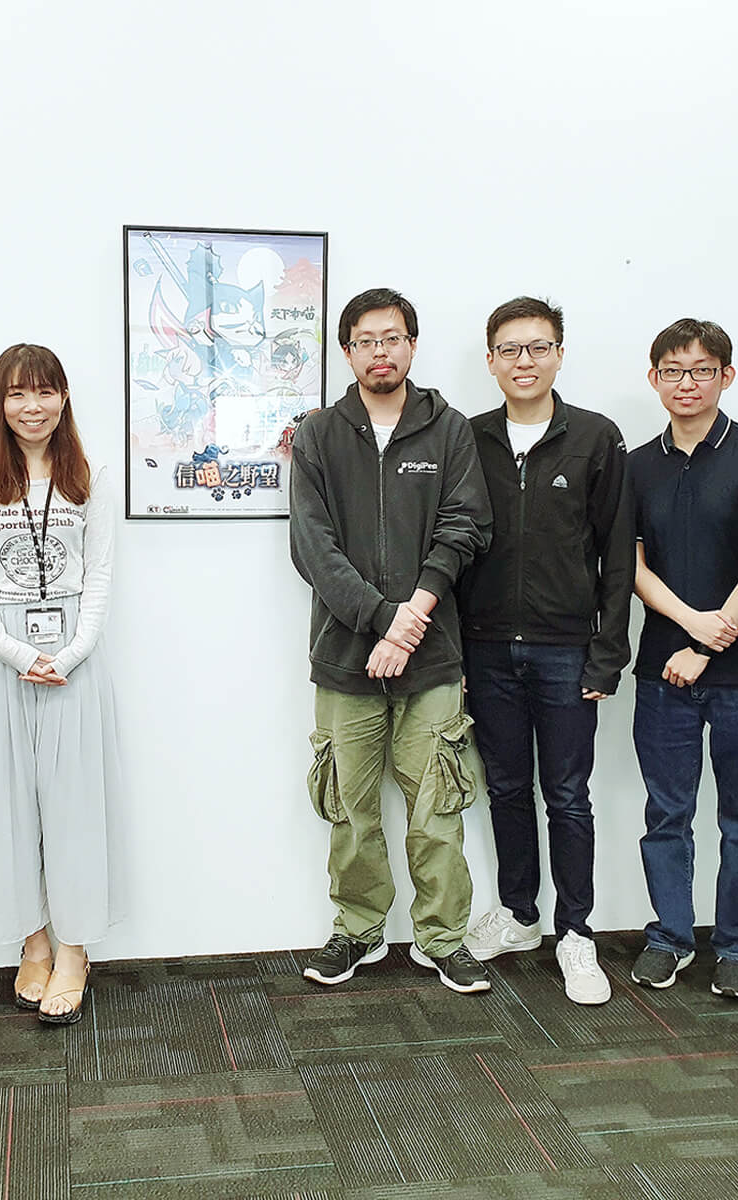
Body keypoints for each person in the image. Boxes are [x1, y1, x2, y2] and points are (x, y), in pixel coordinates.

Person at [289, 287, 494, 995]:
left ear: (412, 344)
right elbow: (312, 549)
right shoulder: (318, 435)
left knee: (437, 808)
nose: (382, 351)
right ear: (347, 352)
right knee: (350, 810)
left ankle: (443, 938)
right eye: (367, 340)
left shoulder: (449, 429)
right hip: (345, 658)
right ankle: (358, 932)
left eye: (394, 337)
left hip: (433, 658)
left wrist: (413, 620)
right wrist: (385, 620)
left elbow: (465, 527)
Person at [460, 296, 633, 1006]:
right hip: (487, 649)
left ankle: (577, 934)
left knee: (566, 795)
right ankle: (520, 915)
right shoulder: (466, 438)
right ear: (491, 360)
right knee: (504, 789)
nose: (523, 361)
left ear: (559, 354)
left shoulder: (595, 438)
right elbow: (450, 548)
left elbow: (618, 556)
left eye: (537, 348)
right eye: (509, 349)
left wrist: (607, 653)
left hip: (567, 652)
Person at [0, 343, 124, 1024]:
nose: (33, 407)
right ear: (0, 403)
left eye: (46, 392)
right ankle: (32, 943)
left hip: (74, 656)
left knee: (75, 805)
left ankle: (74, 951)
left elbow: (102, 574)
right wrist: (13, 652)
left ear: (64, 398)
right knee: (7, 804)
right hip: (0, 658)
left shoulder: (90, 476)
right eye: (19, 394)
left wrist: (74, 651)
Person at [626, 319, 738, 999]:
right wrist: (689, 627)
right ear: (654, 377)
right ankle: (671, 937)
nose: (686, 383)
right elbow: (630, 566)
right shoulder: (634, 465)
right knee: (667, 813)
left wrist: (708, 644)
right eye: (672, 370)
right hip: (663, 670)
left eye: (702, 369)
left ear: (727, 375)